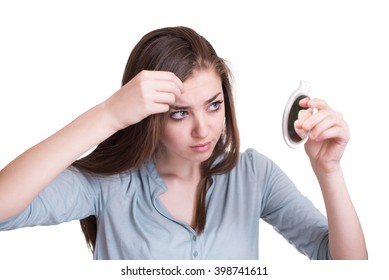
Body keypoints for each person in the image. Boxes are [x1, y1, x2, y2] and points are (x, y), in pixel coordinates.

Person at [0, 26, 367, 260]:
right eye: (179, 113)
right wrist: (109, 115)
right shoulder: (110, 185)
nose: (203, 130)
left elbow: (345, 264)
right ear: (147, 114)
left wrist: (329, 171)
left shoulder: (254, 176)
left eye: (213, 105)